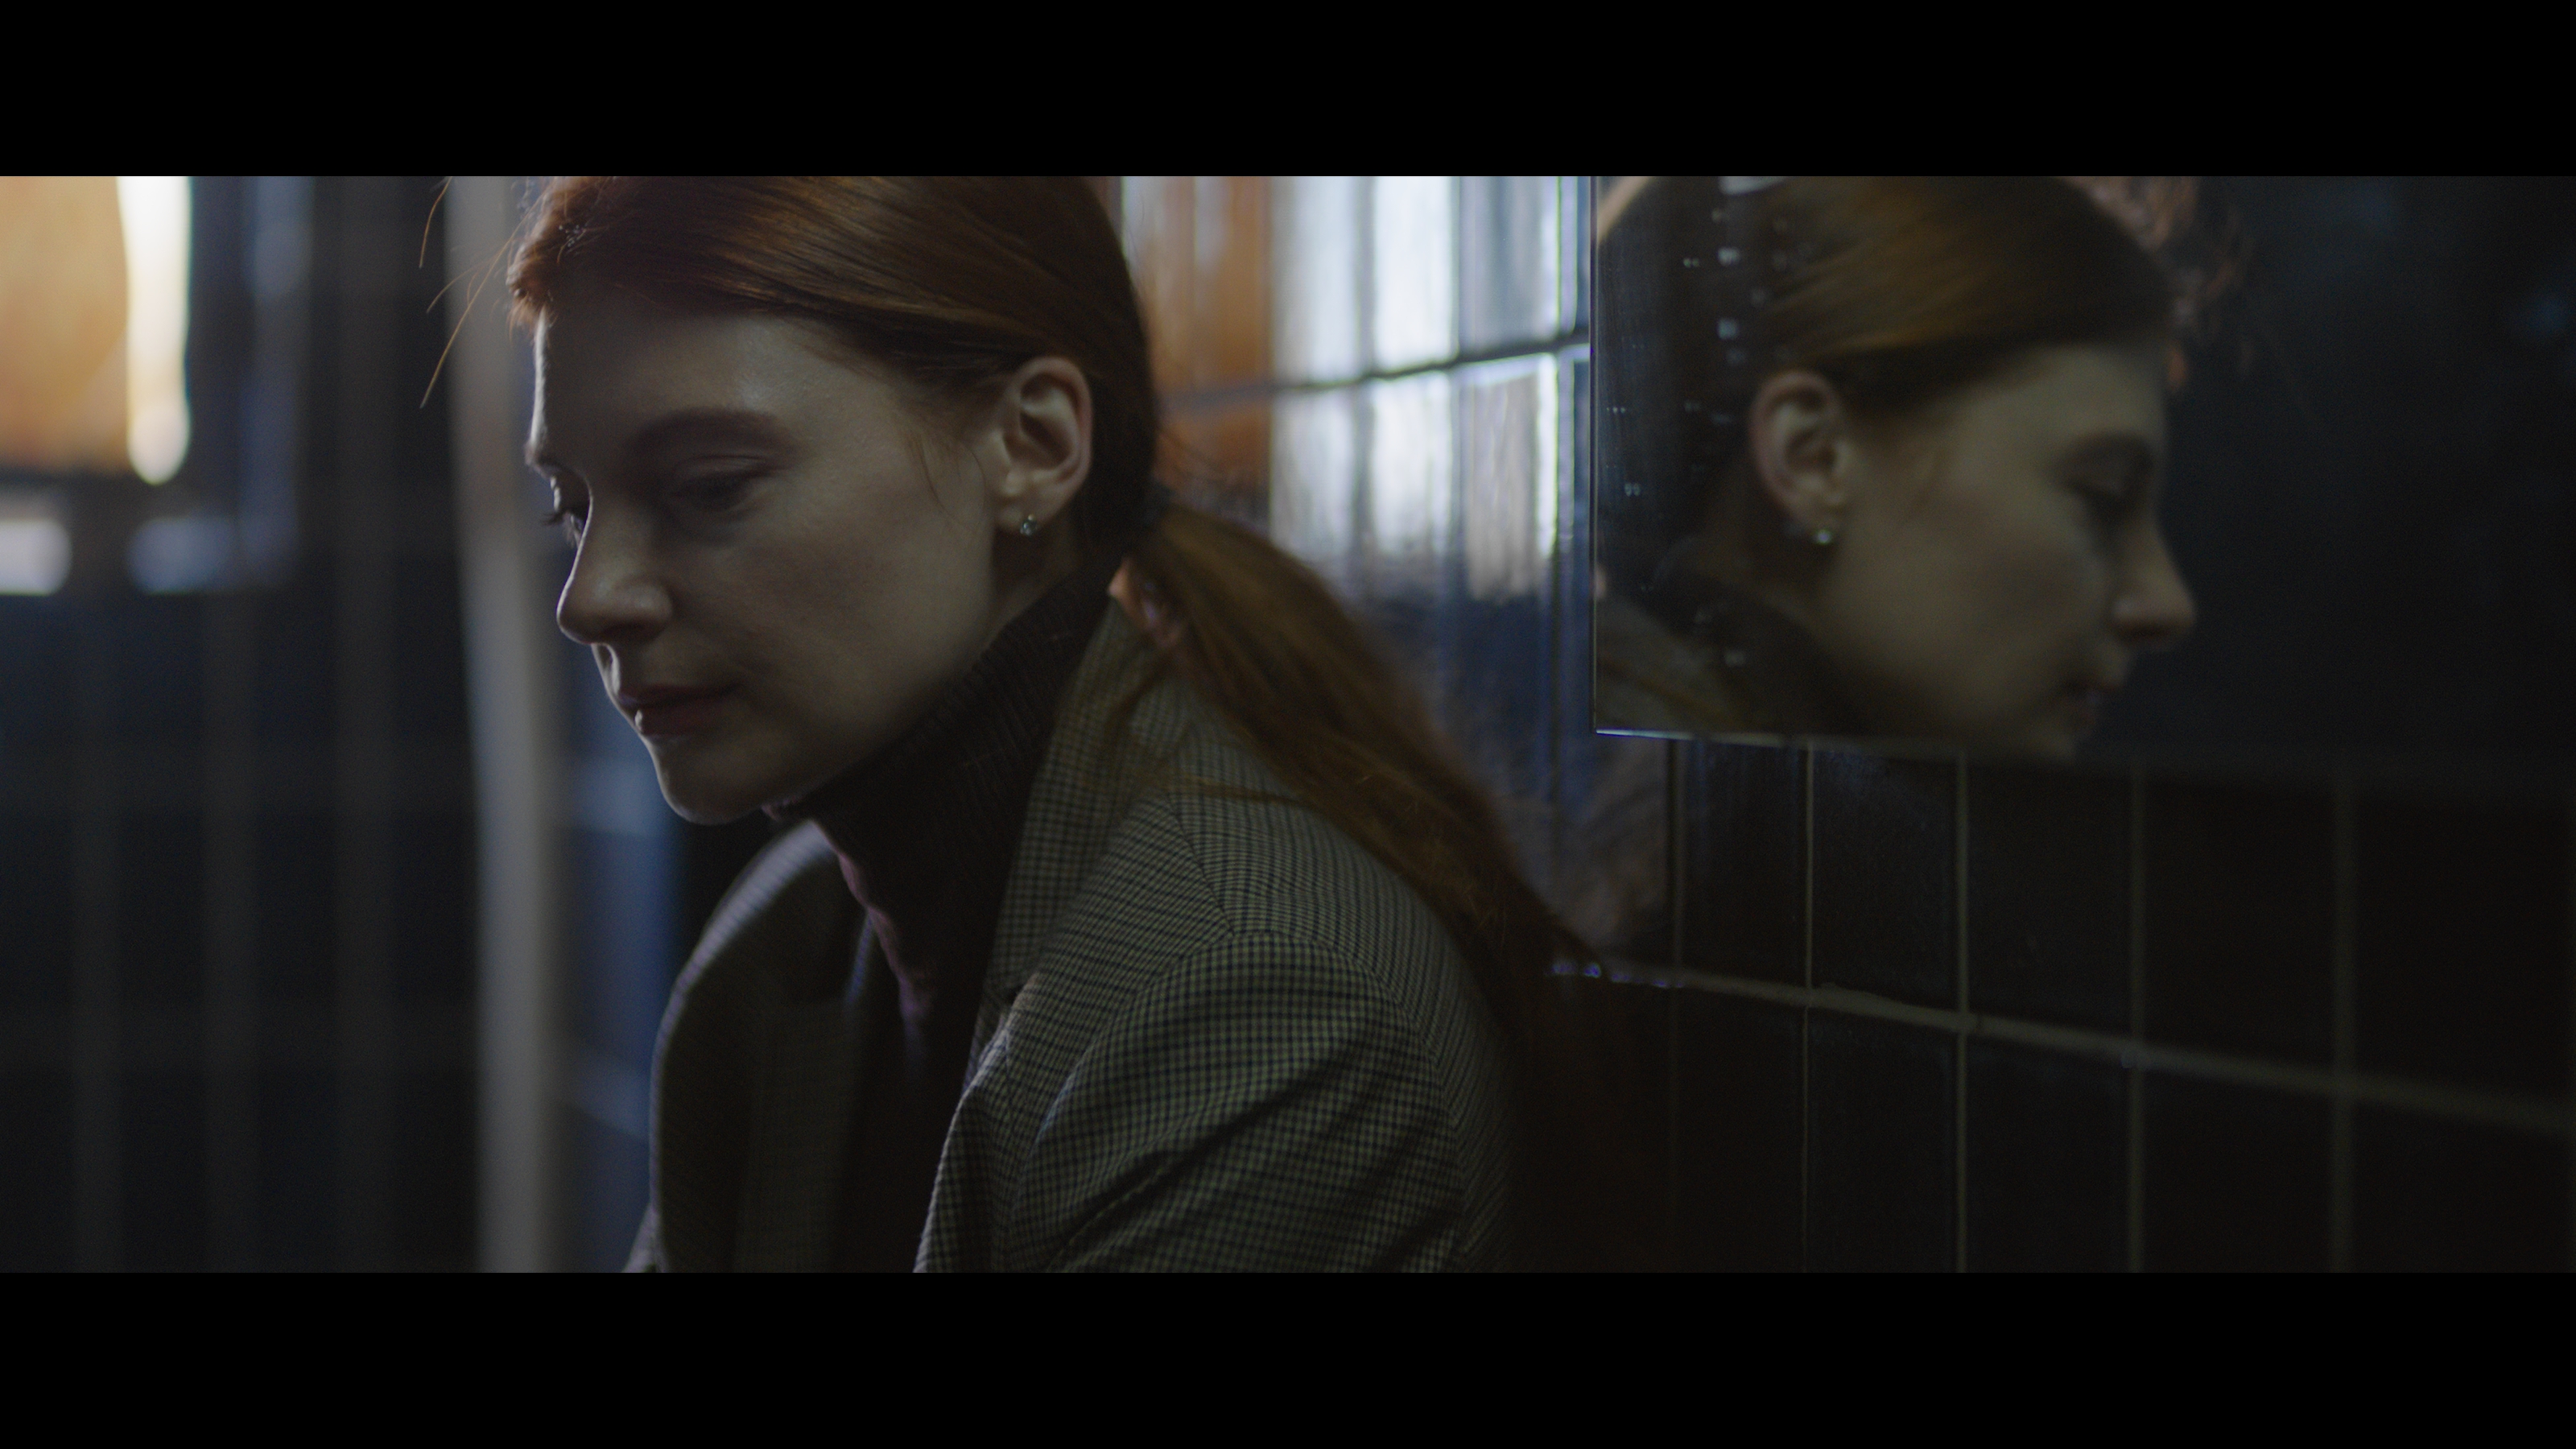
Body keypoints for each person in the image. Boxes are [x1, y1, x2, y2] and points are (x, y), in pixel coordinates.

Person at [509, 177, 1624, 1270]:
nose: (590, 597)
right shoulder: (791, 939)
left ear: (1033, 447)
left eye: (708, 485)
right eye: (574, 506)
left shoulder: (1256, 999)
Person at [1593, 176, 2199, 759]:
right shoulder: (1663, 810)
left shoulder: (1638, 770)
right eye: (2102, 497)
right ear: (1814, 458)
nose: (2168, 604)